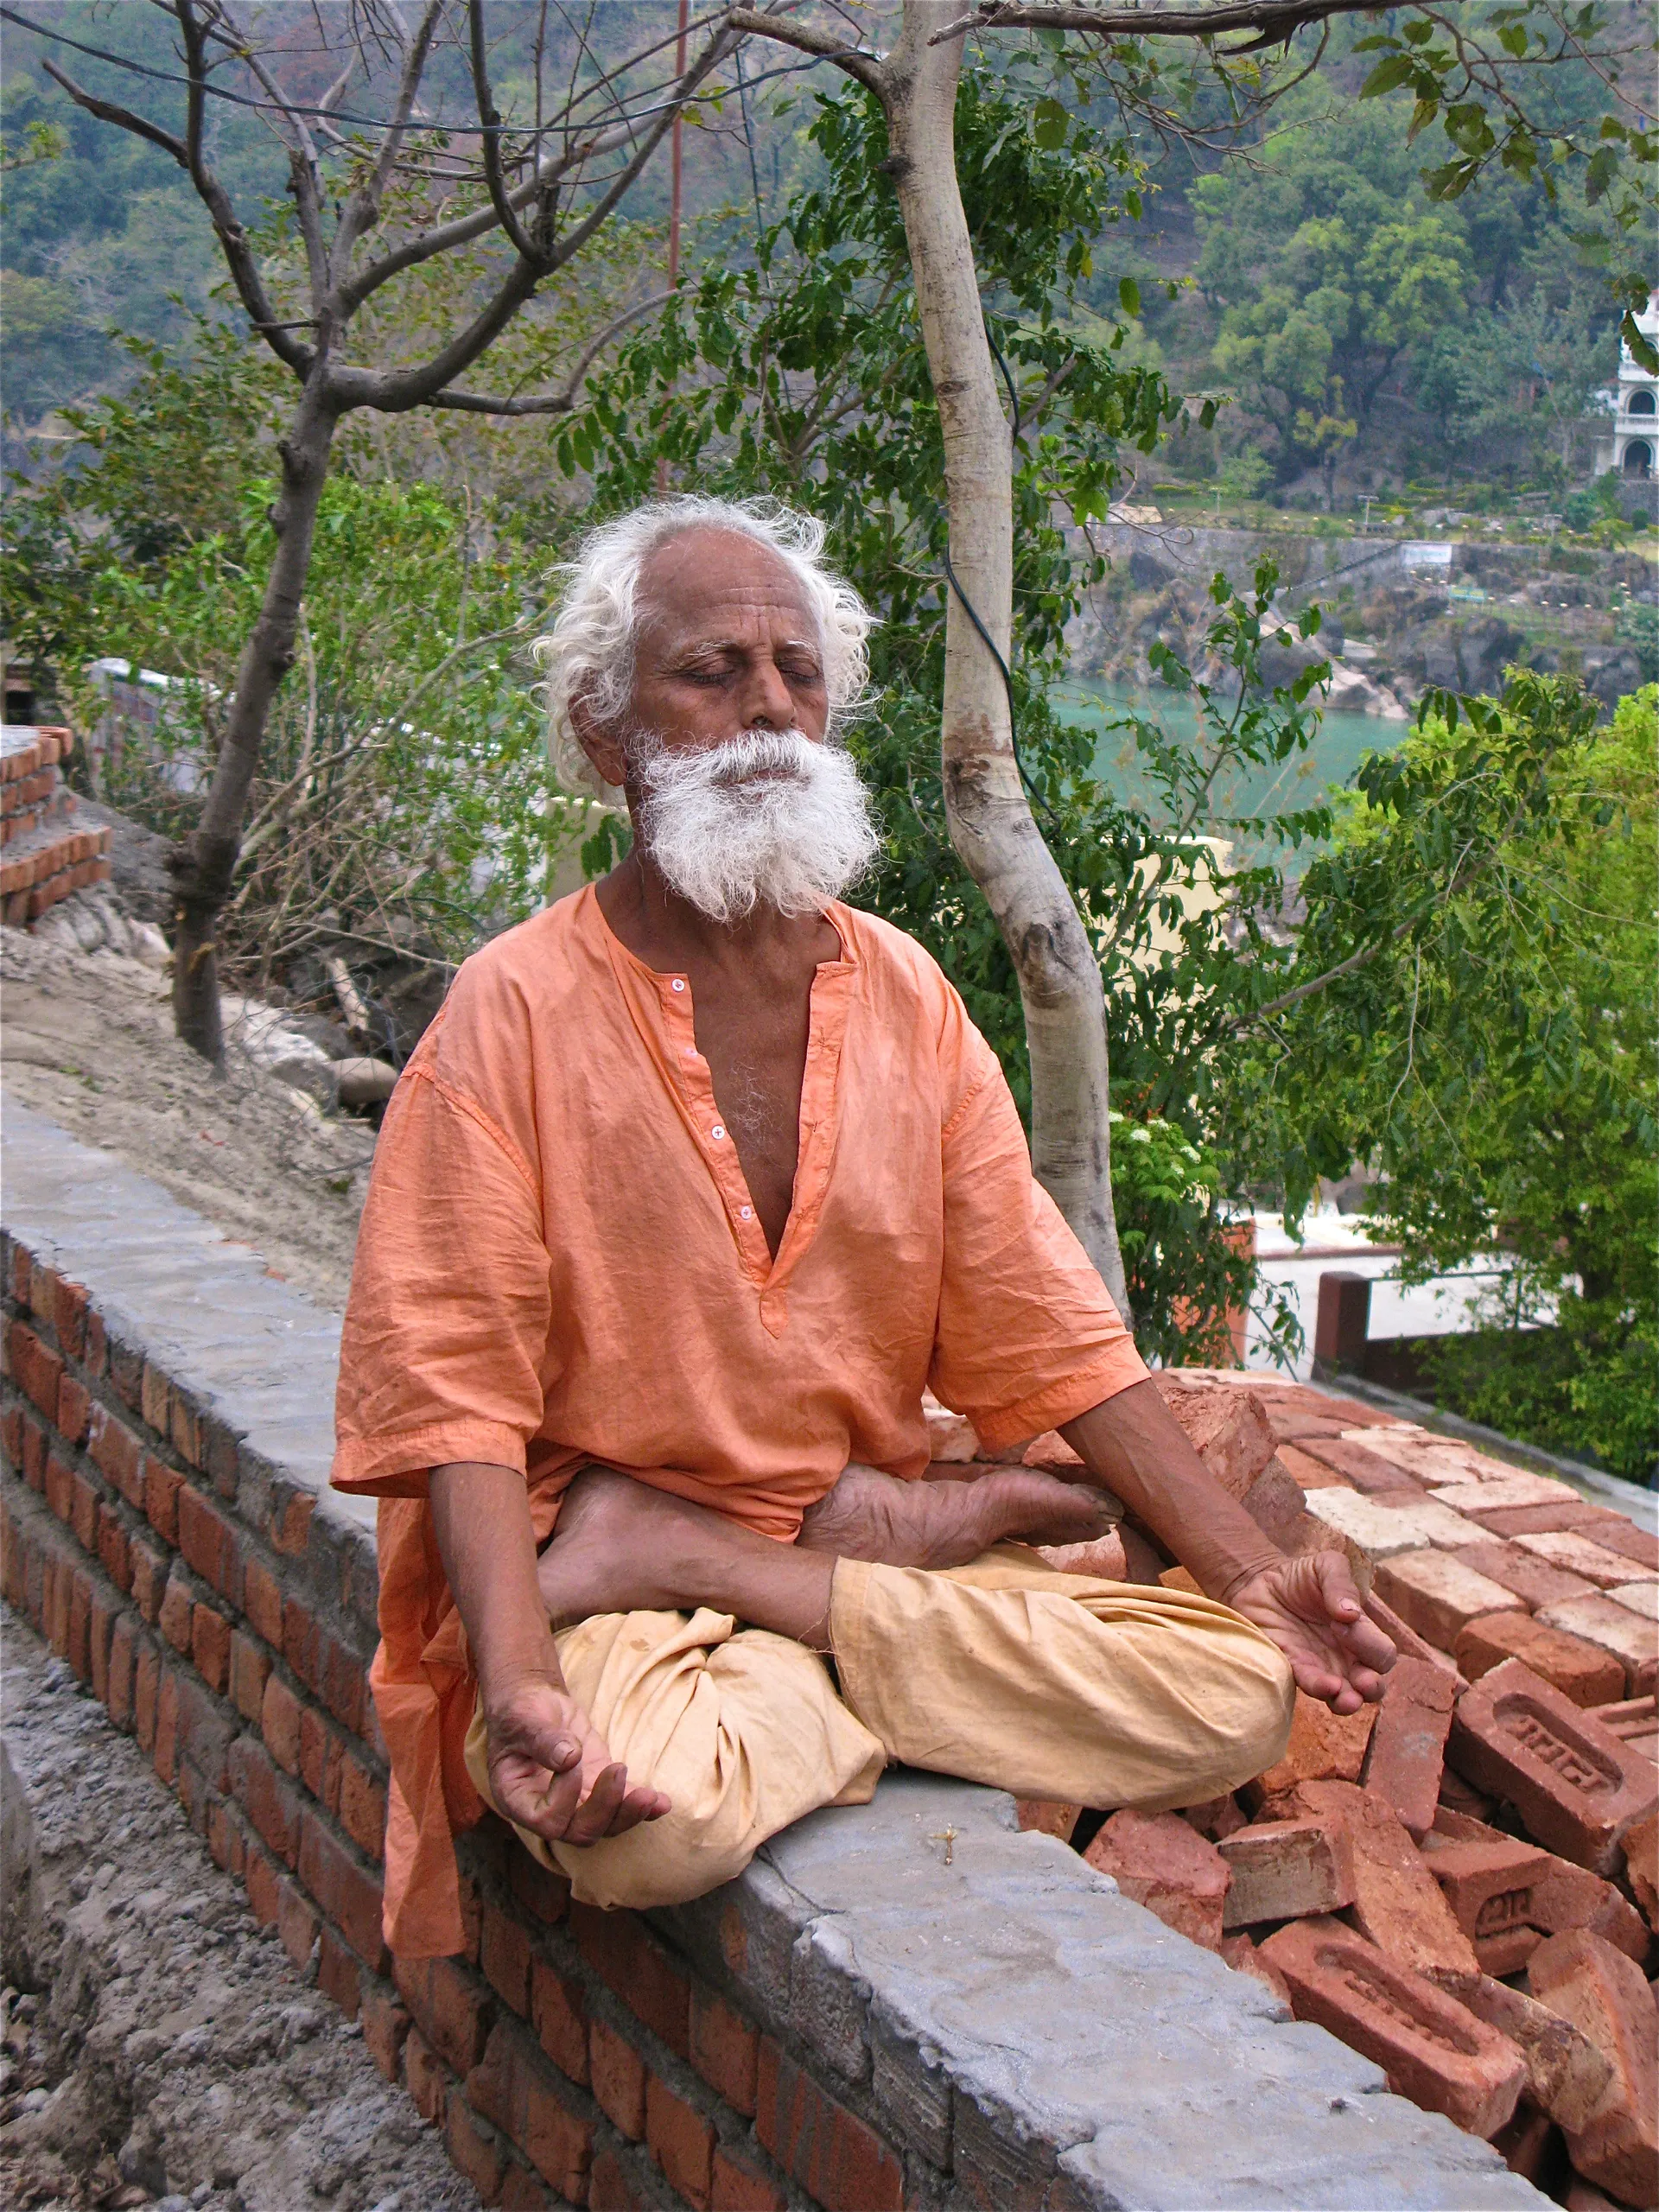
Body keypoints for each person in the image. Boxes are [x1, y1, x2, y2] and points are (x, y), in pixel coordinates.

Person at [331, 495, 1394, 1958]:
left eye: (800, 670)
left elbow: (1051, 1329)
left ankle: (735, 1567)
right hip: (596, 1581)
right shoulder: (510, 1012)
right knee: (664, 1831)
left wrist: (1248, 1571)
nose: (770, 704)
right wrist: (516, 1678)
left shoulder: (903, 994)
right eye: (711, 672)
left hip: (724, 1565)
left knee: (1237, 1692)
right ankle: (827, 1582)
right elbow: (453, 1393)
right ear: (604, 736)